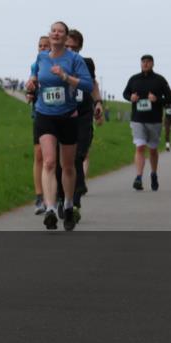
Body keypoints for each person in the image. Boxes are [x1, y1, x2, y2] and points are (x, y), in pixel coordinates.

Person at [25, 21, 93, 230]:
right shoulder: (41, 57)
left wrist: (65, 77)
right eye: (53, 31)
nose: (55, 34)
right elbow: (35, 75)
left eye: (60, 32)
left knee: (68, 166)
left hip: (68, 115)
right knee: (48, 162)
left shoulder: (74, 59)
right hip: (45, 114)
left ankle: (69, 205)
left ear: (65, 37)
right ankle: (50, 209)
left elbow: (87, 84)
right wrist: (31, 83)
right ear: (49, 35)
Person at [122, 54, 171, 191]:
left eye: (148, 62)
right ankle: (138, 177)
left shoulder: (160, 80)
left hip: (154, 119)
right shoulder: (134, 79)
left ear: (152, 64)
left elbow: (170, 99)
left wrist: (156, 99)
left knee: (152, 149)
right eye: (143, 62)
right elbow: (125, 93)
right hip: (138, 119)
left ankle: (154, 173)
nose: (145, 64)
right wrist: (130, 97)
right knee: (140, 147)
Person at [65, 29, 104, 210]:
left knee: (79, 154)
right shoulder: (54, 61)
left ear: (80, 48)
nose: (71, 51)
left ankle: (77, 191)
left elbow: (93, 84)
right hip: (62, 114)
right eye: (67, 47)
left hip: (83, 113)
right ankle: (65, 194)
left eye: (75, 48)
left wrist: (98, 103)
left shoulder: (87, 63)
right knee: (63, 157)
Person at [27, 35, 51, 215]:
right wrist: (30, 90)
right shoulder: (36, 65)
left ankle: (55, 195)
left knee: (53, 157)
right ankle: (39, 196)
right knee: (39, 155)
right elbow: (31, 83)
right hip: (39, 113)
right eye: (40, 46)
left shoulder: (60, 64)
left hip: (59, 114)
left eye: (46, 46)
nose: (42, 49)